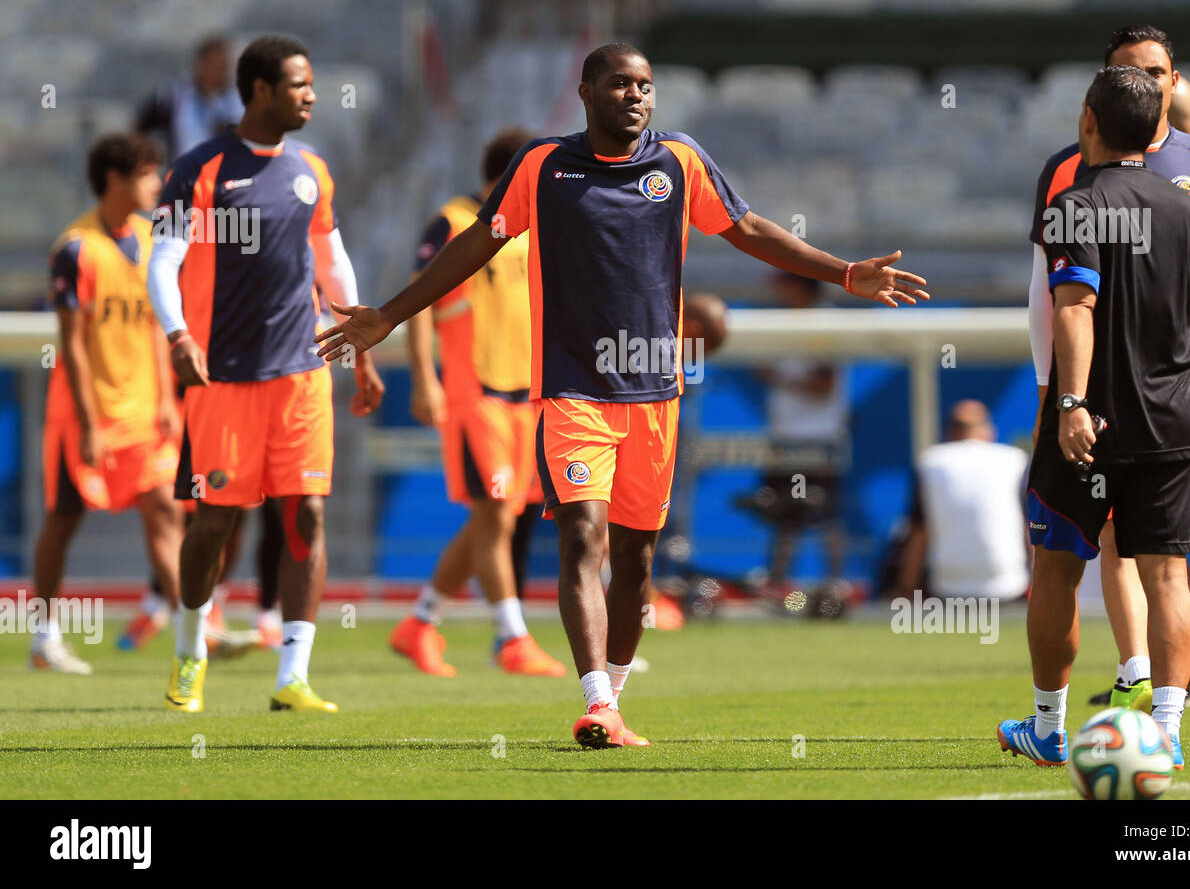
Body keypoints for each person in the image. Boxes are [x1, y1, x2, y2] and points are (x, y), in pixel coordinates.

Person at [316, 41, 929, 748]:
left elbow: (751, 230)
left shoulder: (680, 162)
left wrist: (845, 273)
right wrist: (390, 314)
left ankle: (615, 696)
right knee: (583, 535)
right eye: (619, 84)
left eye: (644, 85)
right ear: (585, 92)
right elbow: (478, 243)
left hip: (653, 394)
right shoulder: (544, 166)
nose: (635, 96)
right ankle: (595, 701)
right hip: (571, 389)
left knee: (635, 561)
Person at [1027, 25, 1190, 712]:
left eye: (1155, 71)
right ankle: (1138, 675)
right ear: (1105, 87)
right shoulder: (1063, 173)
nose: (1146, 82)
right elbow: (1042, 295)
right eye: (1130, 73)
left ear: (1175, 81)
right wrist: (1047, 386)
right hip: (1139, 394)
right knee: (1123, 540)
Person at [1002, 64, 1190, 771]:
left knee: (1056, 569)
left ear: (1087, 123)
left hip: (1092, 423)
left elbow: (1075, 310)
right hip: (1170, 419)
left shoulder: (1073, 203)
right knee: (1169, 574)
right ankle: (1166, 731)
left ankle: (1049, 728)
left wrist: (1070, 403)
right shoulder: (1189, 206)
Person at [147, 35, 385, 713]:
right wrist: (178, 335)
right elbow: (163, 262)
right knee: (216, 522)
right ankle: (191, 652)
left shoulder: (313, 170)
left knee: (306, 515)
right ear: (259, 91)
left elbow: (333, 264)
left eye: (312, 84)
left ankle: (293, 677)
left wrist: (358, 351)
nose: (312, 95)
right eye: (299, 84)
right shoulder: (199, 171)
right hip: (224, 378)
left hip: (303, 373)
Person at [390, 127, 566, 678]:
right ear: (514, 175)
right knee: (494, 513)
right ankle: (512, 637)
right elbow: (420, 301)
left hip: (526, 396)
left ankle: (420, 622)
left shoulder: (532, 230)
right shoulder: (453, 222)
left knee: (500, 515)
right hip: (477, 393)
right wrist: (425, 378)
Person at [32, 133, 184, 674]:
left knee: (165, 508)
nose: (157, 183)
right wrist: (89, 422)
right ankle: (44, 637)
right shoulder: (75, 248)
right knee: (65, 516)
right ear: (116, 179)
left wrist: (167, 398)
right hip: (86, 414)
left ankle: (196, 629)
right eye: (147, 173)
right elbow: (70, 343)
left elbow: (153, 327)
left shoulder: (149, 240)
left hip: (144, 410)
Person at [753, 271, 849, 596]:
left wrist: (778, 377)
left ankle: (834, 584)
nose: (777, 289)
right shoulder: (782, 320)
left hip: (819, 438)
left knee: (825, 511)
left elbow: (825, 385)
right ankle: (778, 583)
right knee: (784, 512)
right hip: (785, 436)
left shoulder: (824, 322)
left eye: (783, 282)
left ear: (799, 285)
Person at [892, 400, 1029, 602]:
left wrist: (906, 590)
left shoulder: (930, 462)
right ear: (988, 431)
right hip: (1009, 585)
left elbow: (919, 532)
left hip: (947, 588)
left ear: (950, 432)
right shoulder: (1016, 460)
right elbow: (1032, 528)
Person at [136, 34, 244, 161]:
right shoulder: (174, 95)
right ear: (200, 64)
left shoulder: (239, 98)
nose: (218, 71)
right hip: (184, 169)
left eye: (222, 66)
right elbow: (142, 128)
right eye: (213, 65)